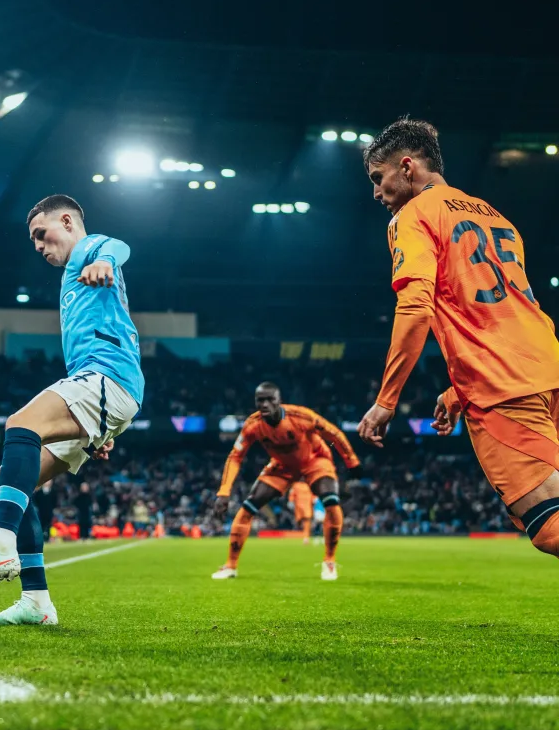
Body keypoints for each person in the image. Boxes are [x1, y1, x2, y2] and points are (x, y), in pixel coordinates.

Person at [0, 194, 144, 627]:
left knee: (20, 424)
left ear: (67, 221)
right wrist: (95, 431)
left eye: (41, 236)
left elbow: (117, 246)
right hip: (103, 389)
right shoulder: (73, 273)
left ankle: (0, 543)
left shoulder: (90, 251)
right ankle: (36, 602)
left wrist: (104, 261)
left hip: (108, 377)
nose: (40, 247)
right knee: (8, 481)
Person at [357, 118, 559, 556]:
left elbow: (415, 308)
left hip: (504, 387)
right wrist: (456, 391)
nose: (376, 193)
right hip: (547, 368)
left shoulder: (412, 216)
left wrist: (386, 400)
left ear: (406, 167)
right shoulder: (495, 215)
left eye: (379, 178)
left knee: (550, 527)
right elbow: (502, 313)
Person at [213, 382, 361, 581]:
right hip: (282, 466)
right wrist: (224, 492)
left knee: (331, 503)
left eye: (269, 400)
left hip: (315, 460)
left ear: (279, 401)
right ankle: (230, 566)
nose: (264, 404)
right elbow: (235, 457)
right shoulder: (252, 425)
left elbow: (333, 433)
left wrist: (352, 462)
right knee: (247, 508)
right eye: (260, 400)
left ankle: (329, 561)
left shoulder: (301, 416)